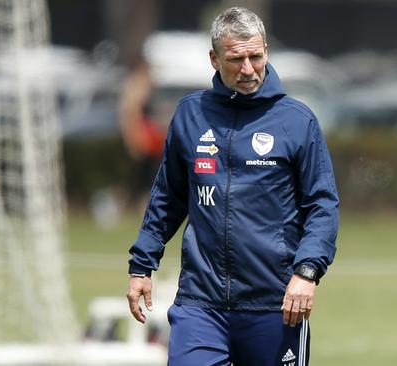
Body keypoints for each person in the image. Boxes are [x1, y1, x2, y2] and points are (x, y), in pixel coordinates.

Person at [126, 7, 339, 366]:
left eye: (255, 56)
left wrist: (307, 272)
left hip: (275, 303)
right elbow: (168, 197)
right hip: (201, 304)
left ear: (266, 52)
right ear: (214, 59)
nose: (247, 69)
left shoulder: (297, 121)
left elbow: (322, 205)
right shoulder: (191, 115)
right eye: (235, 58)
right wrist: (141, 265)